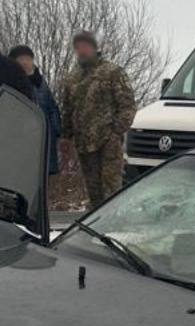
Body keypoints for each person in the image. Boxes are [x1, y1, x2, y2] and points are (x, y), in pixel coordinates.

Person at [60, 31, 137, 207]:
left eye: (85, 46)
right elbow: (68, 110)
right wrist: (65, 137)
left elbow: (128, 106)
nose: (81, 51)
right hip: (84, 145)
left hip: (107, 143)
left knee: (111, 192)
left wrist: (115, 133)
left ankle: (113, 229)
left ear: (94, 47)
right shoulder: (72, 78)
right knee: (93, 194)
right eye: (77, 47)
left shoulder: (112, 72)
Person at [8, 45, 62, 176]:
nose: (25, 62)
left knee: (43, 179)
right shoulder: (9, 83)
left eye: (28, 58)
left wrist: (56, 129)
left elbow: (52, 107)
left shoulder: (41, 83)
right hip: (20, 143)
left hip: (43, 140)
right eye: (21, 59)